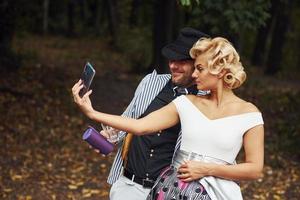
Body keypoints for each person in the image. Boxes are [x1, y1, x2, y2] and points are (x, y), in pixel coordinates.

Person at [72, 37, 264, 200]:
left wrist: (207, 169)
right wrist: (92, 113)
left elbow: (254, 169)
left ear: (220, 71)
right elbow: (140, 126)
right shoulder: (187, 103)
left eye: (200, 69)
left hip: (221, 195)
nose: (194, 74)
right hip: (174, 191)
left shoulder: (249, 114)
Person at [84, 27, 209, 200]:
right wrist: (110, 136)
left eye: (181, 61)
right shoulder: (152, 81)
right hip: (128, 187)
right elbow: (127, 119)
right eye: (171, 59)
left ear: (198, 64)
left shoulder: (206, 101)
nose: (173, 65)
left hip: (170, 193)